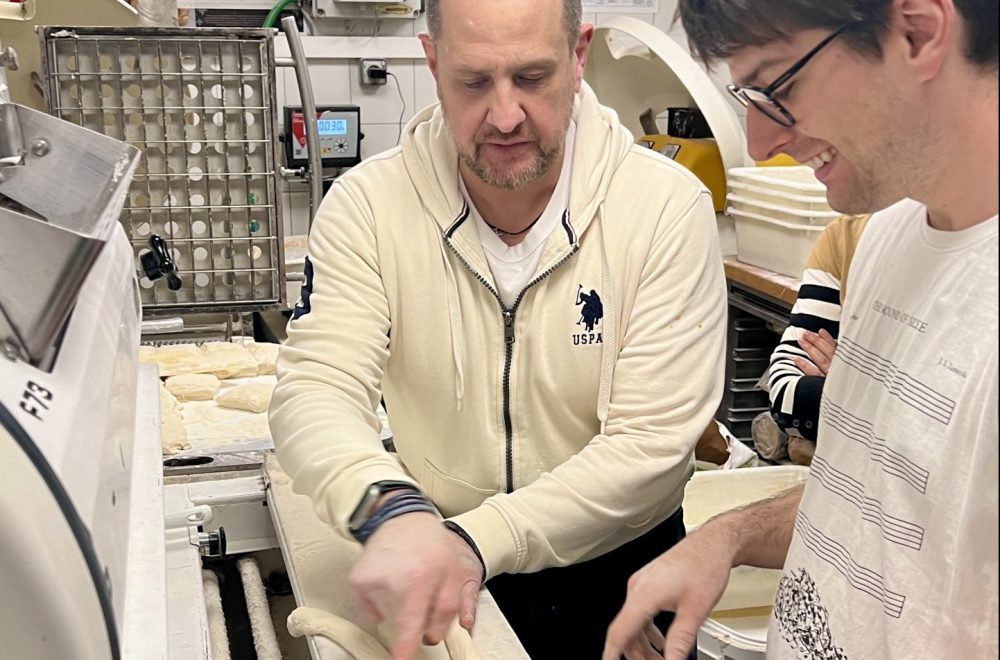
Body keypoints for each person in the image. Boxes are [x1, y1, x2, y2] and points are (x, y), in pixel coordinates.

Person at [268, 0, 728, 657]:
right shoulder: (367, 209)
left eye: (533, 77)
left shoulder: (663, 210)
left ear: (578, 57)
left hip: (621, 576)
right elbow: (315, 391)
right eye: (474, 81)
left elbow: (650, 445)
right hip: (437, 559)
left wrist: (478, 539)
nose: (506, 115)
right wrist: (388, 509)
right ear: (432, 62)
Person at [604, 0, 998, 658]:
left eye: (779, 87)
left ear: (918, 32)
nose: (759, 143)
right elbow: (873, 499)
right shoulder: (887, 238)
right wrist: (726, 538)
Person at [765, 213, 869, 463]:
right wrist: (864, 388)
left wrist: (847, 378)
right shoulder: (847, 235)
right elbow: (782, 394)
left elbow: (940, 420)